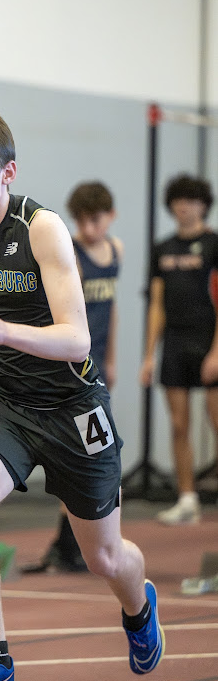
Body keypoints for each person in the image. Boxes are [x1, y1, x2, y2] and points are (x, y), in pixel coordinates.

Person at [0, 105, 164, 681]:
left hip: (74, 405)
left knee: (104, 557)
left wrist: (3, 331)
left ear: (8, 173)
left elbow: (77, 340)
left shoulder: (42, 229)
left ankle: (139, 607)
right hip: (6, 401)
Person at [24, 181, 123, 573]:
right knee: (84, 450)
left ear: (111, 216)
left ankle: (74, 541)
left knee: (97, 450)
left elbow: (111, 308)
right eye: (81, 221)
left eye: (96, 220)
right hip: (74, 369)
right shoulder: (73, 255)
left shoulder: (116, 250)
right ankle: (70, 542)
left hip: (98, 364)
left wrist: (111, 358)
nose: (88, 229)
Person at [140, 174, 218, 524]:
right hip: (174, 343)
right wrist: (148, 355)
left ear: (204, 205)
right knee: (178, 424)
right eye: (178, 200)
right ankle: (187, 499)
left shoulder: (214, 244)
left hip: (208, 341)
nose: (183, 207)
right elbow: (156, 305)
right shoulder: (163, 248)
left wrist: (216, 352)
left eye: (191, 200)